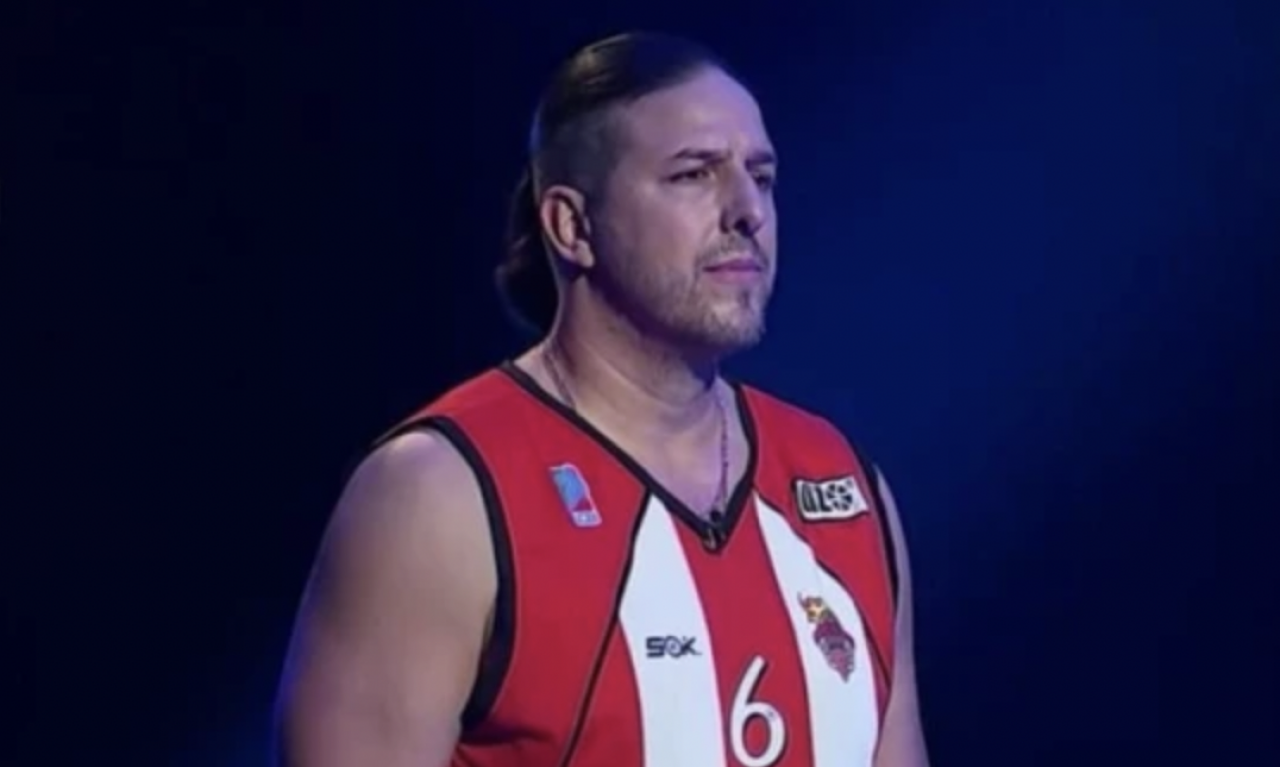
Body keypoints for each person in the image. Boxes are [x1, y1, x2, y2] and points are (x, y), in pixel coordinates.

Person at [275, 31, 929, 767]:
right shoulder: (436, 495)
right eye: (693, 174)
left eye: (762, 175)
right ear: (572, 225)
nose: (748, 210)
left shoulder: (843, 485)